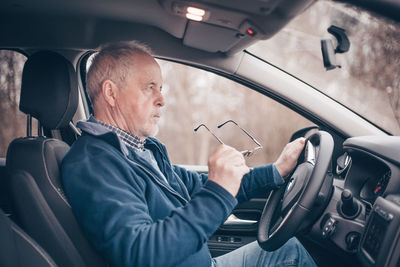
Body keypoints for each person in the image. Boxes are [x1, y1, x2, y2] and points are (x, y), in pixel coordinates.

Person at [61, 41, 316, 267]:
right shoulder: (93, 163)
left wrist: (276, 171)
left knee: (288, 248)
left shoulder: (141, 150)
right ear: (111, 93)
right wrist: (218, 193)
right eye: (150, 87)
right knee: (290, 254)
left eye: (160, 88)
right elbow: (140, 253)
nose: (162, 99)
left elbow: (199, 186)